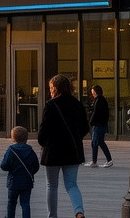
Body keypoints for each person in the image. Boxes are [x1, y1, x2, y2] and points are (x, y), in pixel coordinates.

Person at [38, 74, 89, 218]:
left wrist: (44, 142)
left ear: (55, 88)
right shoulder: (77, 104)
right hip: (72, 152)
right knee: (72, 184)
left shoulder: (51, 105)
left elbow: (44, 130)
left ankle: (52, 215)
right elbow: (85, 127)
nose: (50, 90)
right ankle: (79, 211)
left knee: (51, 186)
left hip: (53, 152)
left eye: (50, 87)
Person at [0, 126, 40, 218]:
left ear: (13, 138)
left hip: (13, 182)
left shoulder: (11, 150)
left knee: (11, 203)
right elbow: (36, 166)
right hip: (27, 182)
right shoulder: (30, 150)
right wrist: (31, 172)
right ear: (26, 138)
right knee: (25, 203)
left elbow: (4, 166)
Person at [85, 85, 111, 168]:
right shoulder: (101, 100)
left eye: (93, 92)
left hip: (98, 125)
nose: (92, 94)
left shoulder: (99, 100)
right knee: (98, 142)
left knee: (95, 142)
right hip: (101, 125)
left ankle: (95, 161)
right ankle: (106, 160)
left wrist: (91, 122)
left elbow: (96, 113)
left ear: (96, 92)